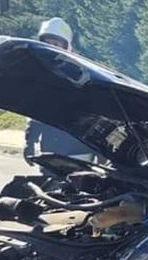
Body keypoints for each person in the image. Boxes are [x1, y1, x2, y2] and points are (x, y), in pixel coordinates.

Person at [24, 18, 95, 166]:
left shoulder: (80, 72)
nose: (51, 47)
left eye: (56, 44)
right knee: (49, 184)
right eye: (47, 43)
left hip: (78, 146)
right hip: (51, 146)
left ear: (66, 45)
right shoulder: (40, 72)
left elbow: (94, 111)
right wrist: (30, 142)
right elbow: (35, 111)